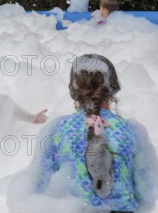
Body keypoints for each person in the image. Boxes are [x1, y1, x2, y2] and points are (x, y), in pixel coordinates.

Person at [31, 54, 157, 212]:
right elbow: (147, 193)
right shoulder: (133, 132)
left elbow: (39, 188)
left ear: (74, 90)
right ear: (113, 87)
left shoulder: (57, 130)